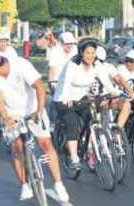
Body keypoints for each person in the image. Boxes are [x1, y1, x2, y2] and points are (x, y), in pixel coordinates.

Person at [0, 52, 69, 202]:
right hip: (11, 114)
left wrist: (39, 111)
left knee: (45, 144)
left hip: (33, 109)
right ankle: (24, 185)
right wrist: (6, 117)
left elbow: (40, 86)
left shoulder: (20, 64)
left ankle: (59, 185)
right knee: (16, 148)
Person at [53, 39, 102, 169]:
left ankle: (90, 150)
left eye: (93, 53)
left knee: (93, 120)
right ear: (81, 52)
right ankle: (74, 157)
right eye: (87, 53)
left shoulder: (96, 64)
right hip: (64, 99)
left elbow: (105, 80)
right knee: (72, 123)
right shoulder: (73, 64)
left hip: (81, 99)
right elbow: (66, 82)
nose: (90, 56)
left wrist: (115, 92)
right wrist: (66, 97)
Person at [47, 32, 77, 125]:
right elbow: (52, 68)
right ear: (62, 43)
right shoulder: (56, 51)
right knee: (56, 100)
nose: (69, 46)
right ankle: (54, 122)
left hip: (72, 81)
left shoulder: (75, 51)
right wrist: (52, 82)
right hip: (58, 81)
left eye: (71, 44)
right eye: (67, 44)